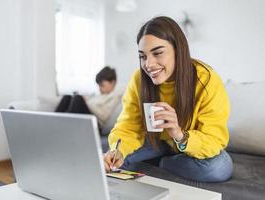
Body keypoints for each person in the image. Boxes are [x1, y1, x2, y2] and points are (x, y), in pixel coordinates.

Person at [103, 16, 233, 182]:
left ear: (178, 50)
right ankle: (157, 161)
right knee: (114, 160)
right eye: (143, 56)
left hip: (189, 145)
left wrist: (180, 135)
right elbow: (128, 126)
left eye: (158, 53)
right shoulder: (139, 80)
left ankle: (163, 164)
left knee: (219, 168)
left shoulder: (206, 79)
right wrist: (117, 150)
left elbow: (214, 140)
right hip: (156, 143)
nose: (148, 64)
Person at [55, 66, 122, 129]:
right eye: (99, 86)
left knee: (78, 99)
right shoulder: (101, 95)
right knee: (67, 97)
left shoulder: (115, 96)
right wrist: (86, 100)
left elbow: (104, 116)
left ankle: (63, 124)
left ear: (112, 82)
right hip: (88, 117)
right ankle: (54, 121)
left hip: (95, 124)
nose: (100, 89)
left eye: (102, 85)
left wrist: (86, 103)